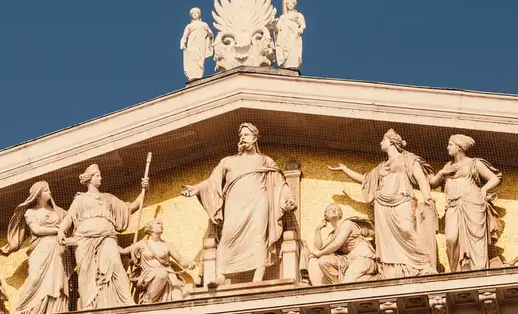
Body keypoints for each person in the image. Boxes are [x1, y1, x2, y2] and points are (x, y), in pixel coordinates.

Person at [182, 122, 294, 286]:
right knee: (227, 236)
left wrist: (287, 199)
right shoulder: (228, 162)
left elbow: (279, 182)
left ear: (255, 138)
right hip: (235, 205)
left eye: (246, 135)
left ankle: (258, 277)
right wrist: (197, 189)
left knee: (259, 237)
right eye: (241, 135)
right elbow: (212, 182)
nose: (242, 138)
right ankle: (221, 275)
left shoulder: (265, 160)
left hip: (258, 203)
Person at [331, 130, 438, 277]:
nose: (381, 142)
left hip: (402, 200)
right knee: (388, 243)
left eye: (383, 139)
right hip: (382, 206)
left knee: (407, 230)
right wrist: (345, 170)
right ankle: (394, 272)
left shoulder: (408, 159)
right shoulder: (381, 167)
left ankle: (425, 264)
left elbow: (420, 178)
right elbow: (365, 179)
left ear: (392, 142)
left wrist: (427, 196)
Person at [59, 164, 146, 310]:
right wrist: (61, 230)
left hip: (106, 237)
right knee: (86, 272)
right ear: (89, 178)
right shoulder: (80, 199)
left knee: (115, 265)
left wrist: (144, 191)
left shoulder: (108, 198)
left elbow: (130, 208)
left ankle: (125, 302)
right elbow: (69, 217)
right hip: (84, 240)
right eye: (97, 175)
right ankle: (88, 305)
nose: (101, 178)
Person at [429, 134, 502, 272]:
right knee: (451, 238)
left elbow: (495, 178)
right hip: (453, 206)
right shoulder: (448, 166)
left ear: (459, 147)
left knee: (476, 238)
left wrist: (485, 189)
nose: (447, 147)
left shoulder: (474, 163)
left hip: (473, 204)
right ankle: (456, 271)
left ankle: (479, 269)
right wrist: (442, 172)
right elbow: (432, 183)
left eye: (450, 144)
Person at [1, 181, 71, 314]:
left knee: (57, 282)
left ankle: (56, 310)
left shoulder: (59, 212)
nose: (50, 192)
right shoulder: (30, 212)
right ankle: (27, 309)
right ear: (38, 194)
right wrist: (58, 230)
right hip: (40, 247)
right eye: (46, 190)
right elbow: (36, 229)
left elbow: (72, 218)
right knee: (35, 278)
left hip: (58, 249)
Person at [305, 204, 376, 285]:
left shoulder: (347, 224)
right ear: (326, 216)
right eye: (330, 209)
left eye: (336, 209)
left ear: (340, 214)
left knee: (348, 283)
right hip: (348, 260)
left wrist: (319, 253)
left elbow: (337, 244)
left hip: (362, 258)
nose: (334, 210)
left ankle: (374, 278)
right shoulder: (332, 235)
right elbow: (318, 247)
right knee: (323, 261)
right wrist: (318, 229)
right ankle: (337, 284)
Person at [126, 219, 194, 303]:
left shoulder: (168, 245)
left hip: (168, 275)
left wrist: (189, 264)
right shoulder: (142, 244)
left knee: (178, 298)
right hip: (148, 275)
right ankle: (148, 299)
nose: (161, 225)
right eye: (158, 223)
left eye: (162, 224)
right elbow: (125, 251)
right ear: (150, 228)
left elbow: (181, 261)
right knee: (162, 274)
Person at [180, 7, 213, 82]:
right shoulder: (189, 26)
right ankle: (192, 76)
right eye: (193, 13)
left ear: (199, 15)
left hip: (201, 44)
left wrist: (208, 31)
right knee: (192, 58)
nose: (195, 14)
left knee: (200, 60)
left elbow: (211, 35)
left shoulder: (204, 24)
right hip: (192, 44)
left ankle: (198, 76)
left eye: (196, 13)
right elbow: (184, 36)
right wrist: (182, 43)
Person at [274, 0, 306, 70]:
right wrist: (274, 25)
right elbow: (277, 29)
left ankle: (292, 65)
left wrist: (300, 30)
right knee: (285, 51)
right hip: (285, 36)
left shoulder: (298, 15)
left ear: (294, 4)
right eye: (288, 4)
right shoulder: (282, 17)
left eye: (291, 3)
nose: (289, 5)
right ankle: (286, 65)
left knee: (293, 50)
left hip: (293, 35)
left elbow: (303, 25)